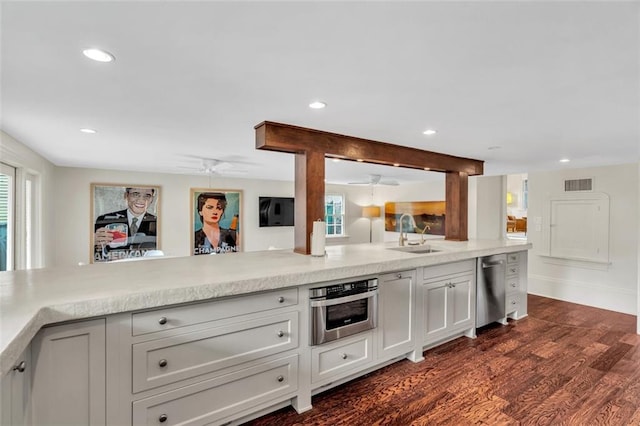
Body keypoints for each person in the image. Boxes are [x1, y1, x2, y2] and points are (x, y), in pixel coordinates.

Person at [94, 187, 157, 262]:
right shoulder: (105, 220)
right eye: (135, 194)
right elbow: (95, 254)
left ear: (152, 199)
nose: (141, 200)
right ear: (126, 195)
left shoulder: (158, 223)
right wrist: (94, 242)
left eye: (147, 195)